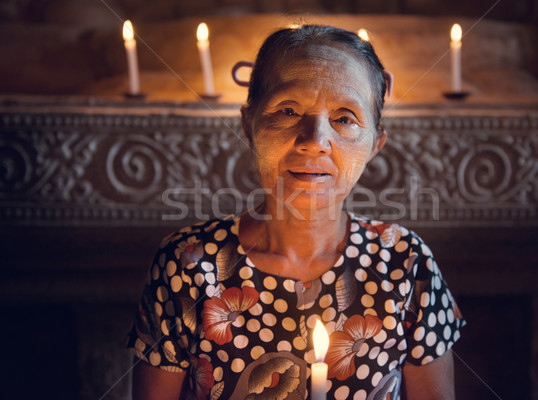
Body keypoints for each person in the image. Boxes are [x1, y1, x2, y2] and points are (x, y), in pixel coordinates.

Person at [127, 24, 465, 400]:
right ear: (248, 125)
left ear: (375, 144)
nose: (314, 141)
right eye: (288, 110)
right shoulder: (189, 265)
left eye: (345, 118)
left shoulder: (404, 262)